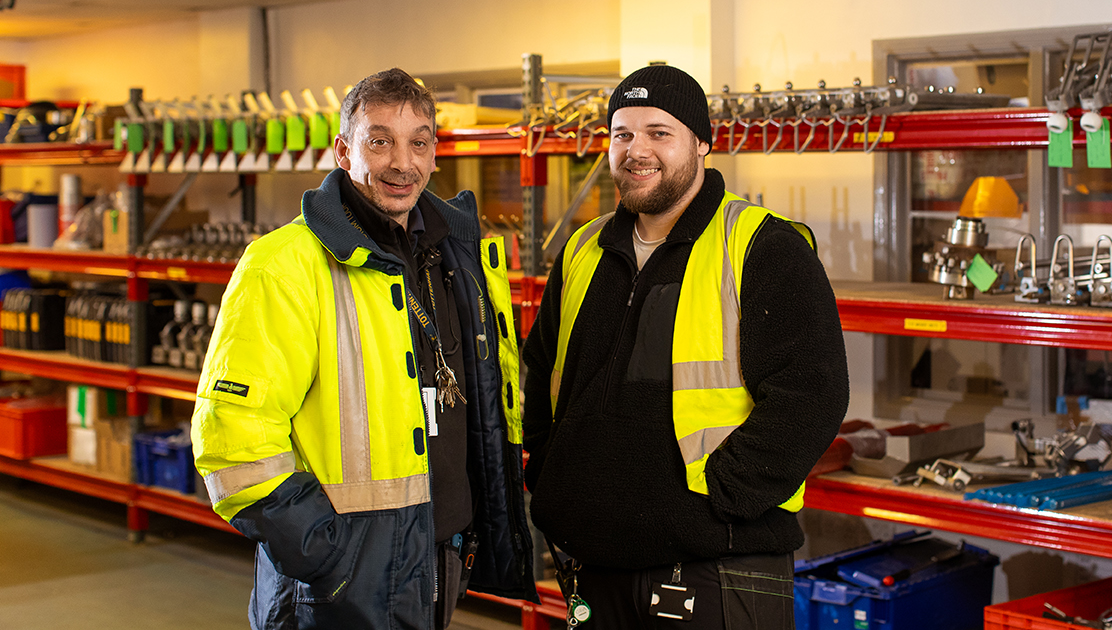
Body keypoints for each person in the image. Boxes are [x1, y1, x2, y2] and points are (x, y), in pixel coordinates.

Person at [192, 68, 537, 630]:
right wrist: (330, 557)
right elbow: (234, 439)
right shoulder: (283, 266)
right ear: (343, 151)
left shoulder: (458, 259)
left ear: (434, 154)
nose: (401, 163)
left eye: (418, 142)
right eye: (379, 141)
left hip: (441, 555)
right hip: (340, 578)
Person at [523, 63, 849, 629]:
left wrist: (720, 500)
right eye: (622, 134)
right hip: (594, 567)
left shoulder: (762, 247)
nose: (636, 150)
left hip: (716, 565)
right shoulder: (583, 249)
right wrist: (554, 482)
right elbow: (545, 375)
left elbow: (813, 394)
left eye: (659, 133)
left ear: (701, 143)